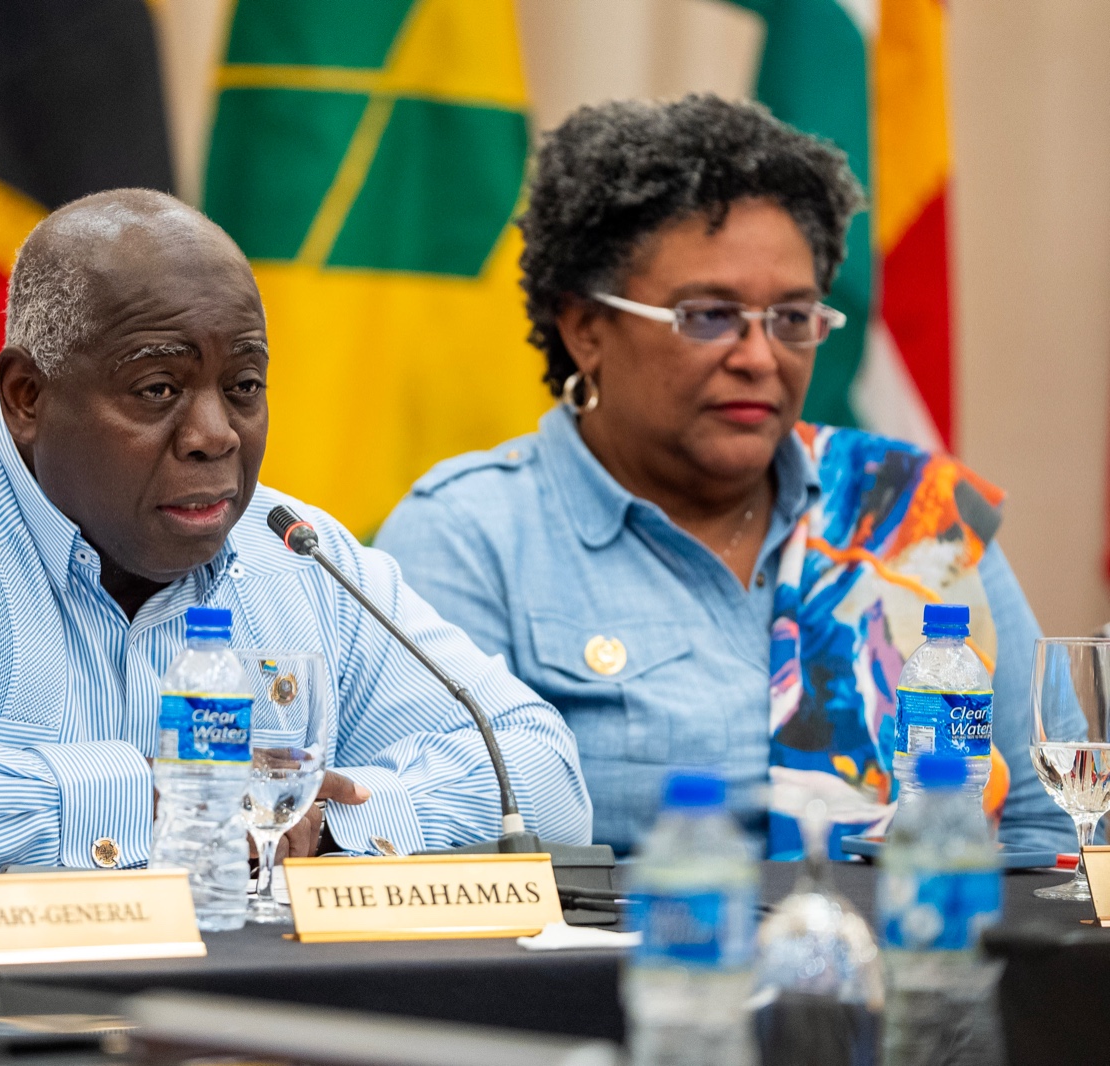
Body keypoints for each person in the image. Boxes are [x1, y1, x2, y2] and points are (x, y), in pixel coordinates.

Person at [0, 189, 591, 885]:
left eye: (245, 384)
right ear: (28, 397)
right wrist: (154, 803)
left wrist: (331, 824)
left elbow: (541, 778)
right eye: (157, 389)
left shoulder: (294, 552)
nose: (215, 434)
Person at [377, 96, 1075, 858]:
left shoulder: (915, 515)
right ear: (584, 328)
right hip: (623, 971)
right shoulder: (470, 535)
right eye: (708, 315)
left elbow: (1057, 825)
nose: (758, 357)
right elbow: (443, 856)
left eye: (792, 317)